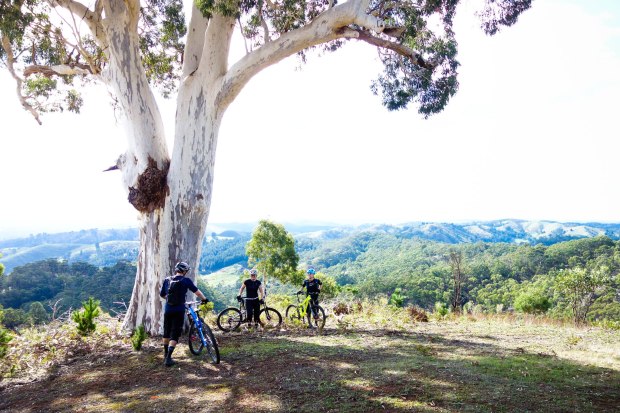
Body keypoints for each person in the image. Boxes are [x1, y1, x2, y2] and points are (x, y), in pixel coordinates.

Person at [160, 261, 208, 367]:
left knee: (167, 331)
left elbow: (162, 294)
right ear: (184, 271)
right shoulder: (186, 281)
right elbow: (197, 292)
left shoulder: (167, 280)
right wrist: (204, 299)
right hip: (179, 309)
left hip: (168, 309)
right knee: (175, 334)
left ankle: (165, 354)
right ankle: (168, 358)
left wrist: (170, 299)